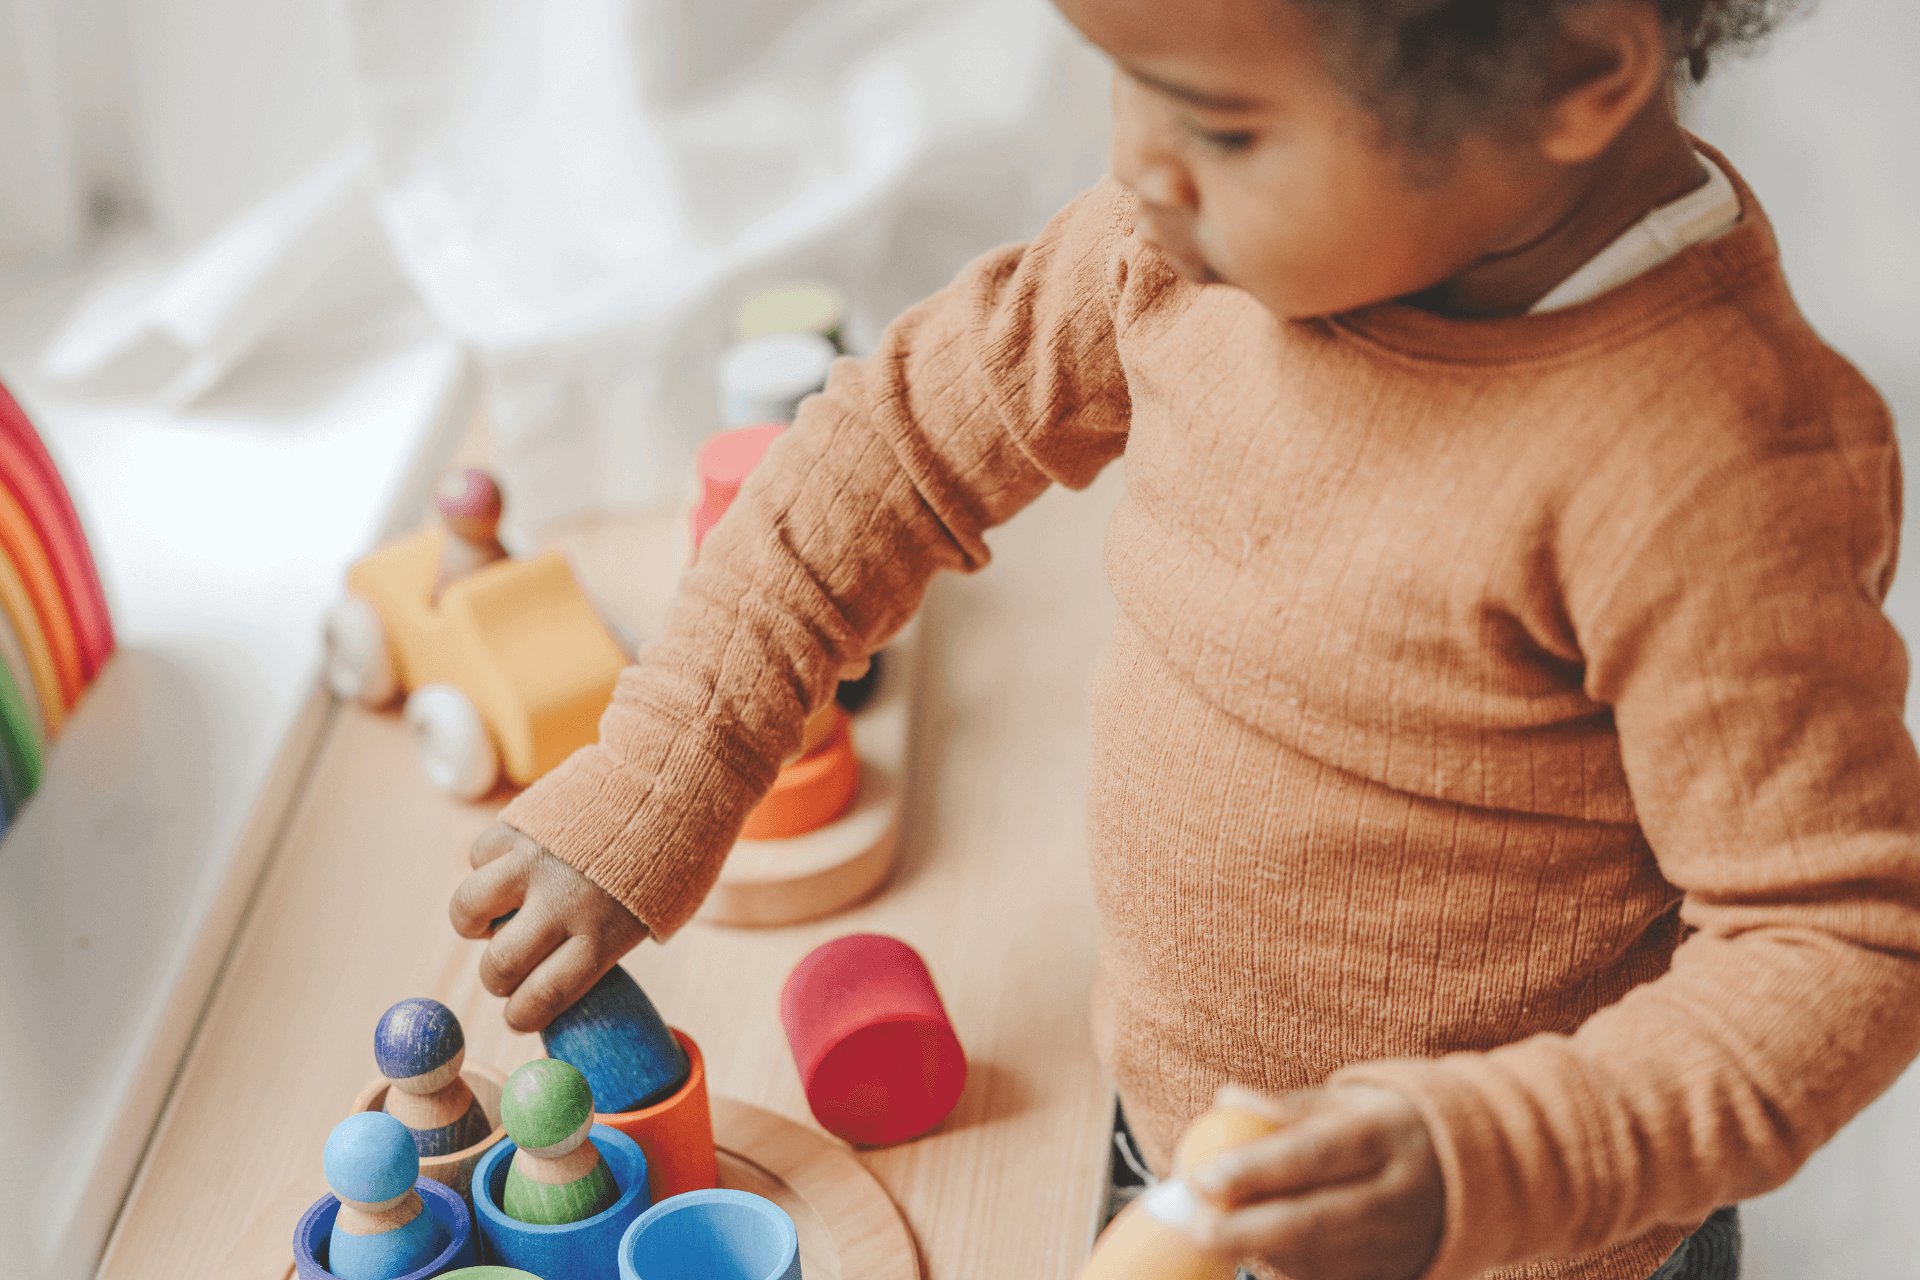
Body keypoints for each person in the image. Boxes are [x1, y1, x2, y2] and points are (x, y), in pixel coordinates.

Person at [448, 1, 1920, 1277]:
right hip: (1175, 1150)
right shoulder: (1181, 251)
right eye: (1121, 72)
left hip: (1522, 1248)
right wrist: (664, 766)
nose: (1137, 166)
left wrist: (1487, 1160)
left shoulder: (1711, 472)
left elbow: (1835, 945)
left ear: (1576, 76)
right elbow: (893, 448)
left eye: (1220, 124)